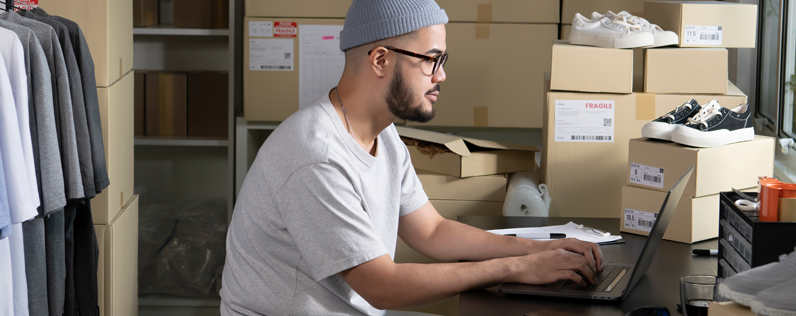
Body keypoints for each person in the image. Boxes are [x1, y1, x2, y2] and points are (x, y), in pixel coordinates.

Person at [220, 0, 604, 315]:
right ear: (381, 60)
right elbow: (382, 288)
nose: (441, 76)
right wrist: (519, 268)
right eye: (431, 60)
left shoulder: (382, 133)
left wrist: (538, 249)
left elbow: (431, 231)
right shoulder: (316, 154)